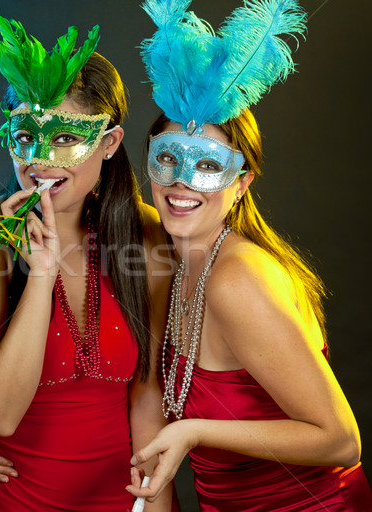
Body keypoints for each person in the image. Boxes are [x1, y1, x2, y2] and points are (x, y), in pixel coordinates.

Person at [127, 0, 372, 510]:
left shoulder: (235, 279)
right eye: (166, 158)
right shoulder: (176, 260)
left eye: (208, 166)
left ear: (241, 185)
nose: (180, 182)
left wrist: (194, 431)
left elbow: (341, 439)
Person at [0, 17, 176, 511]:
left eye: (64, 139)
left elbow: (148, 392)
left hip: (121, 499)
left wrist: (155, 503)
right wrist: (43, 273)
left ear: (109, 144)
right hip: (18, 498)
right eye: (25, 136)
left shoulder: (149, 235)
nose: (39, 159)